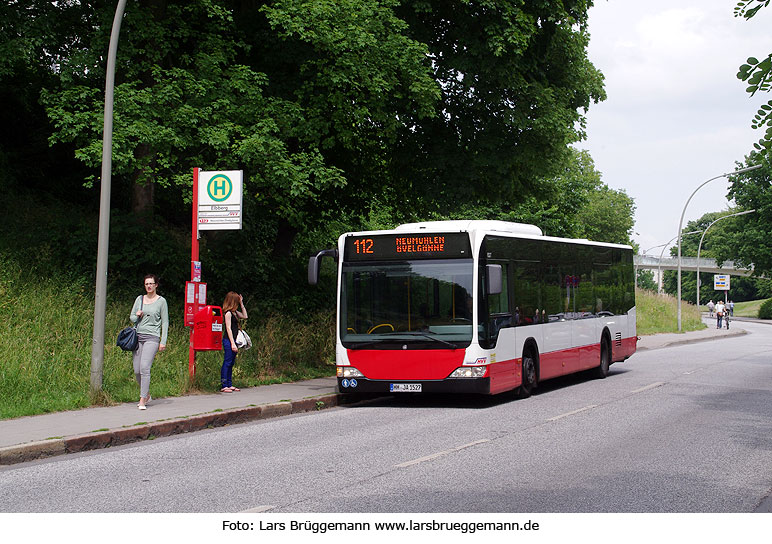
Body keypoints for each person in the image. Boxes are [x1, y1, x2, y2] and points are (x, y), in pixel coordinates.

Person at [130, 274, 169, 410]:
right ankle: (147, 394)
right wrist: (137, 315)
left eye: (151, 283)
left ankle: (142, 399)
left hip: (152, 337)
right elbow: (132, 317)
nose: (149, 286)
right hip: (138, 337)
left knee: (144, 367)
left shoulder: (161, 301)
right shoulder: (139, 299)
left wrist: (163, 341)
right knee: (137, 370)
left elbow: (165, 322)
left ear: (156, 285)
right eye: (147, 284)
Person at [221, 291, 248, 393]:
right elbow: (228, 328)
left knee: (231, 362)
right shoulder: (228, 313)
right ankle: (224, 385)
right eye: (236, 302)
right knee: (227, 362)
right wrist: (232, 343)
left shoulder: (235, 313)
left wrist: (242, 304)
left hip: (234, 340)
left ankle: (229, 384)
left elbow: (245, 316)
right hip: (229, 340)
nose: (237, 304)